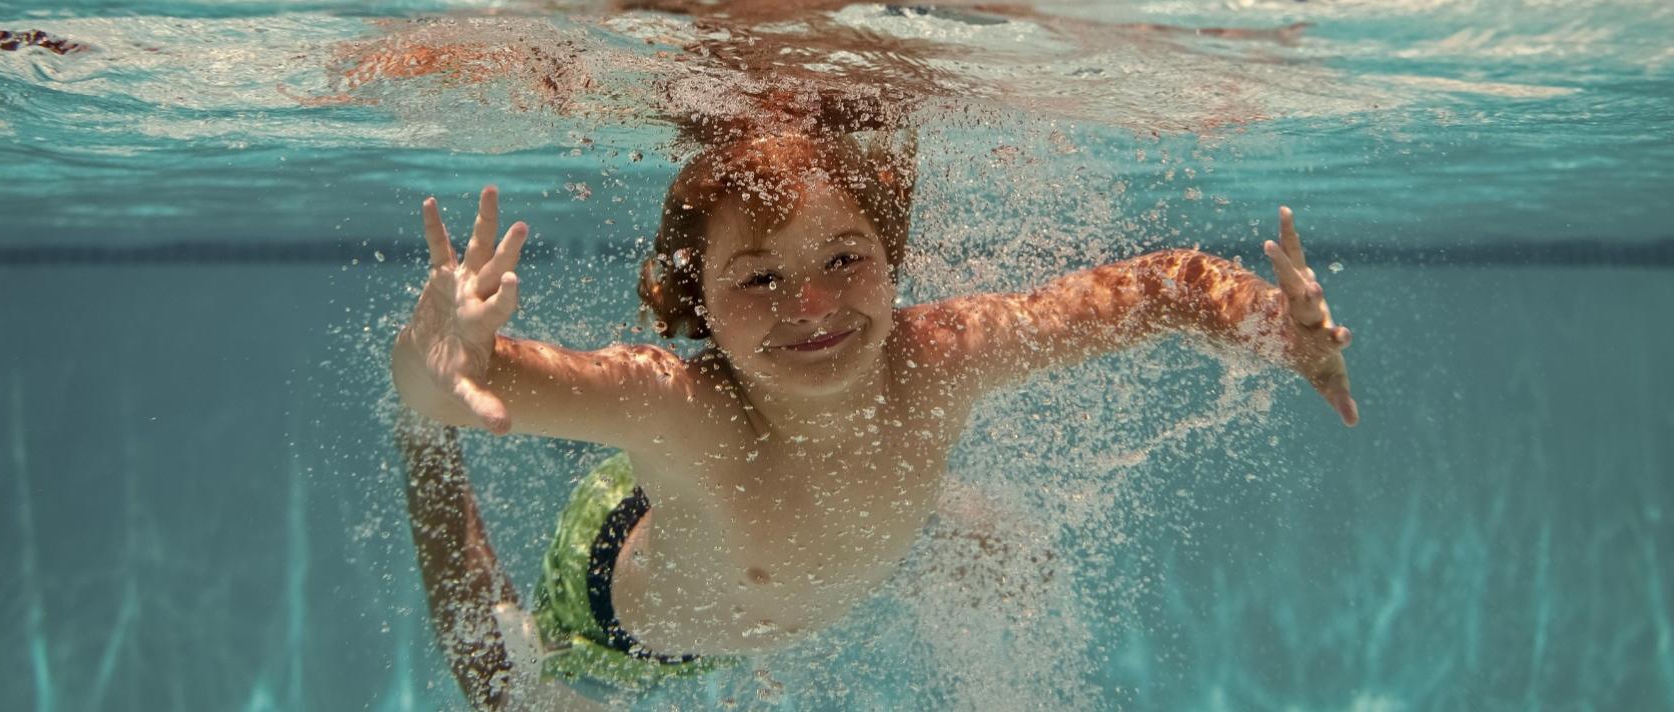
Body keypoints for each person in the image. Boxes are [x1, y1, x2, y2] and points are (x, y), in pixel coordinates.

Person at [391, 131, 1355, 702]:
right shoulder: (678, 405)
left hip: (762, 521)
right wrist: (431, 376)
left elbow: (1152, 289)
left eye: (843, 259)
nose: (812, 307)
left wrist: (1273, 323)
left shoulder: (939, 358)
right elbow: (470, 376)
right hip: (625, 612)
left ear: (891, 258)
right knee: (503, 691)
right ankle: (418, 454)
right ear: (697, 306)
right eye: (759, 279)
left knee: (990, 546)